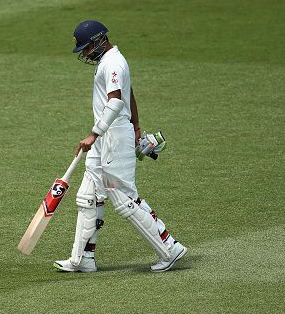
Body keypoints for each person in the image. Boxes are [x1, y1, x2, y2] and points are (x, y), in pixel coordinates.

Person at [53, 20, 187, 273]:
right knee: (88, 196)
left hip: (112, 137)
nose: (84, 54)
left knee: (123, 197)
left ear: (100, 41)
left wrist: (94, 134)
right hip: (107, 137)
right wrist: (136, 126)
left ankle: (169, 249)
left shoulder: (114, 62)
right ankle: (82, 258)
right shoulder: (108, 62)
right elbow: (130, 94)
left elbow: (115, 103)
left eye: (86, 48)